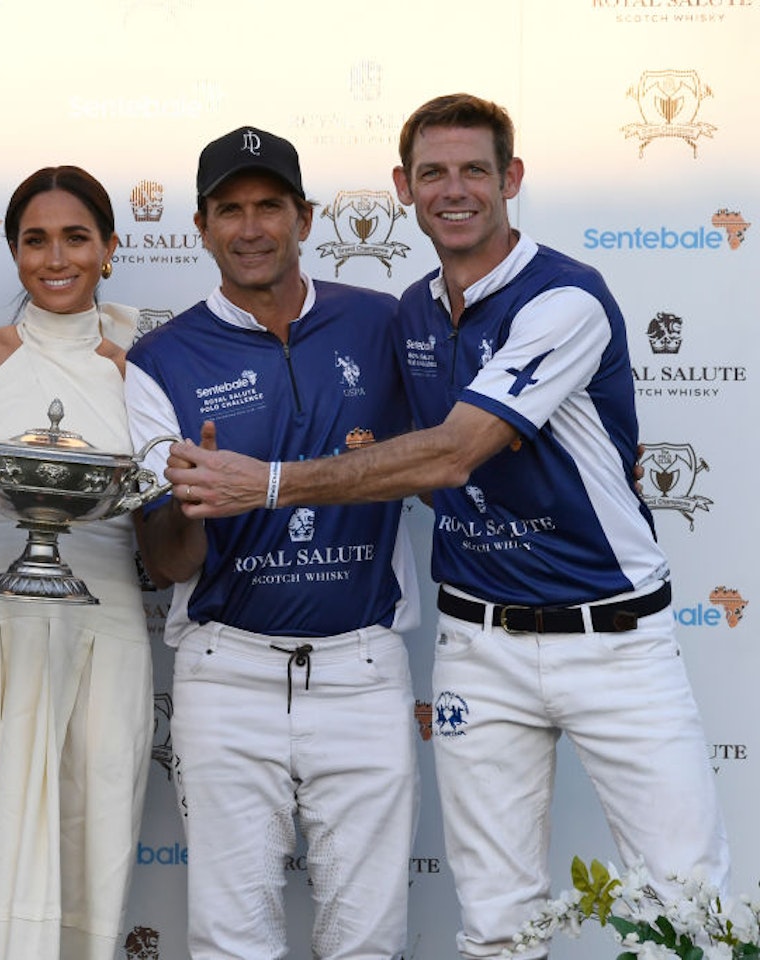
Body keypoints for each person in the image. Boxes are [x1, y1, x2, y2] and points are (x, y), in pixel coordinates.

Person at [164, 94, 730, 960]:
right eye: (433, 172)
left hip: (614, 637)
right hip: (479, 645)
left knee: (684, 909)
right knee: (498, 923)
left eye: (475, 170)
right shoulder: (413, 314)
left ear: (512, 178)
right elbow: (401, 458)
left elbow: (456, 453)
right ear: (403, 186)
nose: (454, 189)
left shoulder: (565, 298)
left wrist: (270, 483)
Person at [122, 126, 421, 960]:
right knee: (230, 940)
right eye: (230, 211)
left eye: (269, 207)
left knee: (370, 939)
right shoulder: (160, 360)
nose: (250, 228)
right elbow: (165, 562)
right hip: (229, 675)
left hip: (362, 668)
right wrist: (193, 503)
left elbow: (450, 449)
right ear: (200, 225)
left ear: (306, 217)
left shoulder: (383, 323)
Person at [0, 166, 152, 960]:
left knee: (91, 828)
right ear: (11, 252)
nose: (56, 258)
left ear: (109, 249)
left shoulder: (138, 371)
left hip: (103, 625)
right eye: (35, 240)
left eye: (76, 237)